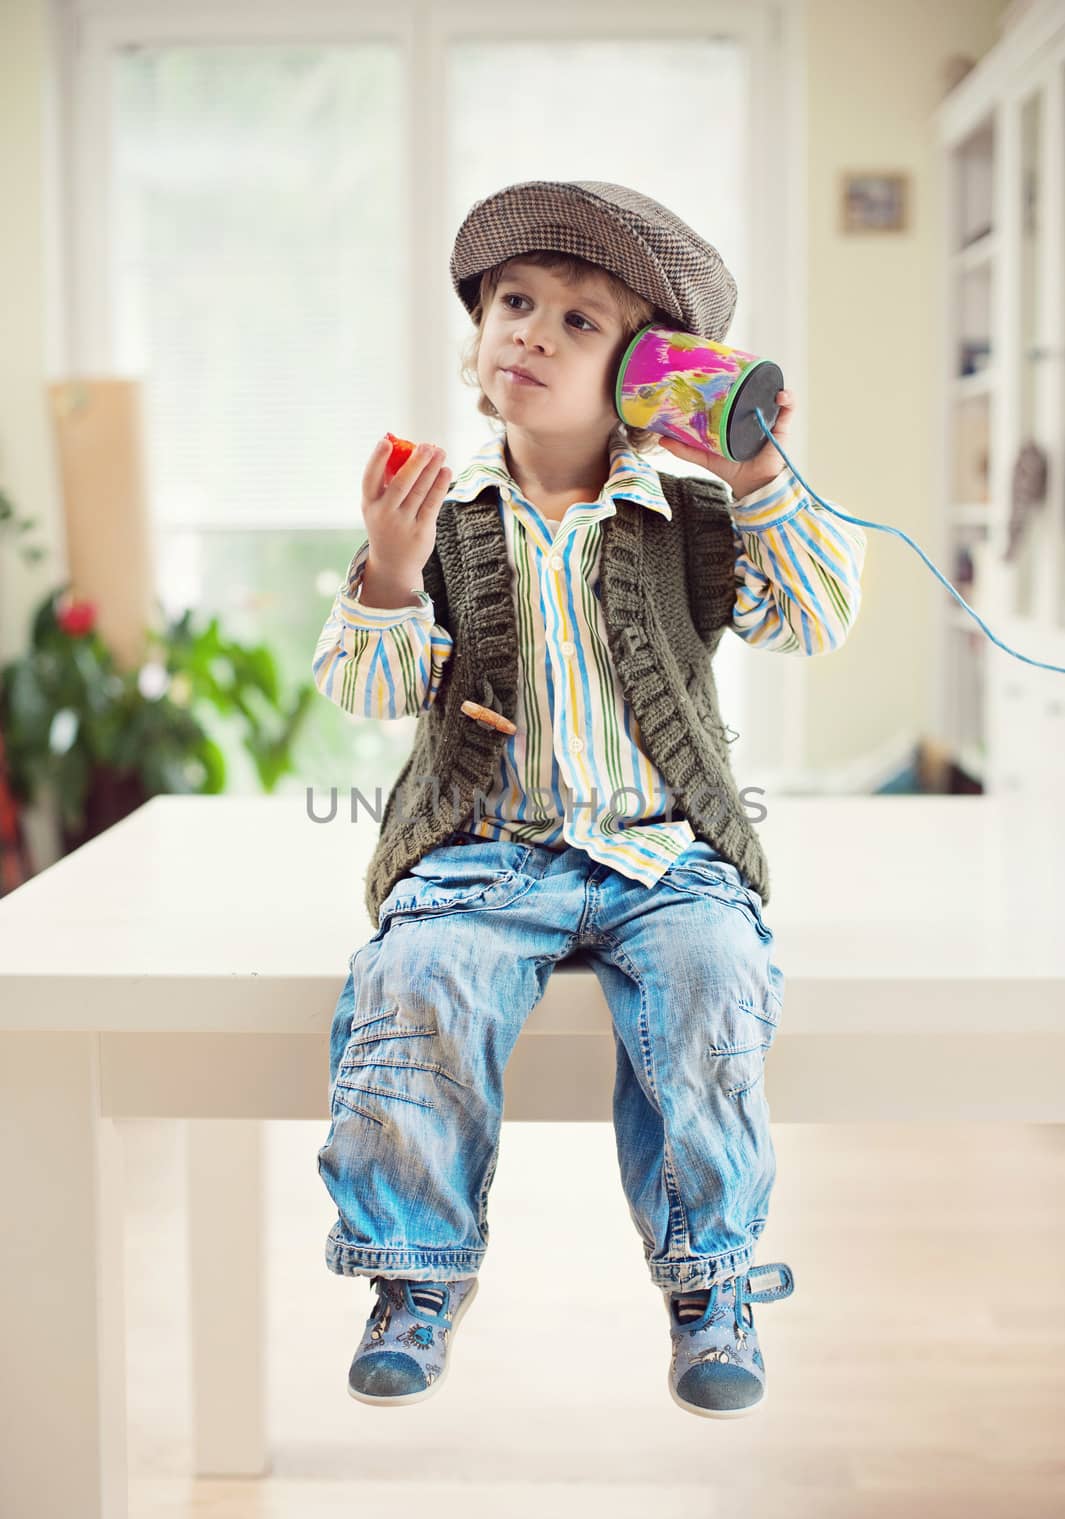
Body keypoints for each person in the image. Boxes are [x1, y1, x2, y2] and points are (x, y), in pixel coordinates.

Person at [312, 180, 866, 1419]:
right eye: (517, 303)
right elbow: (367, 684)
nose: (532, 333)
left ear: (647, 371)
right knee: (413, 984)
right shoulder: (442, 517)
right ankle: (416, 1270)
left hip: (661, 851)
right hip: (486, 848)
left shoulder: (690, 519)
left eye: (579, 321)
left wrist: (760, 462)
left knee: (714, 981)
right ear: (478, 329)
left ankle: (709, 1277)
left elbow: (818, 615)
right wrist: (392, 576)